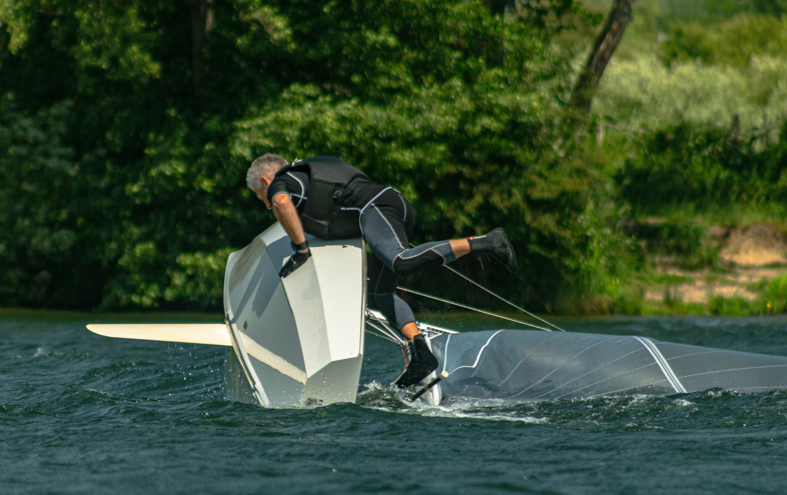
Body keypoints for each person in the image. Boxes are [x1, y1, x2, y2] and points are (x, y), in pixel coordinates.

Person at [246, 154, 517, 387]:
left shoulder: (283, 182)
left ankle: (487, 241)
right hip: (381, 208)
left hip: (376, 207)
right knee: (381, 294)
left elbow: (281, 203)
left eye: (260, 197)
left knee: (401, 261)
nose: (266, 204)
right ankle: (421, 354)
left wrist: (301, 249)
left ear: (265, 182)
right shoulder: (304, 179)